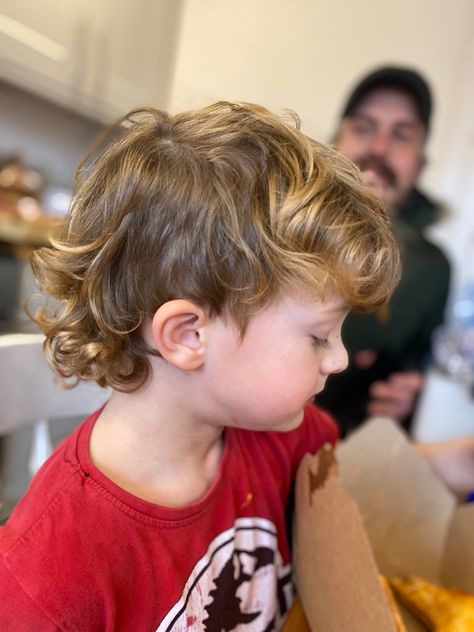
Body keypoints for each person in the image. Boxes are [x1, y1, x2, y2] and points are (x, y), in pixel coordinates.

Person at [0, 103, 400, 631]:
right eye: (319, 335)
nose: (340, 357)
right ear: (189, 336)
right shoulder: (49, 577)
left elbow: (356, 478)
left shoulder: (280, 437)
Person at [317, 66, 451, 435]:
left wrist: (410, 398)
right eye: (364, 128)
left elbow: (419, 366)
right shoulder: (274, 223)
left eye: (401, 135)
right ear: (336, 139)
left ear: (420, 160)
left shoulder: (433, 269)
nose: (378, 148)